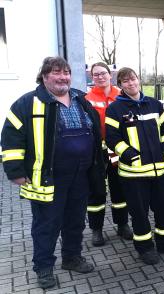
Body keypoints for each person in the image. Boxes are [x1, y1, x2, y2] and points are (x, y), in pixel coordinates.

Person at [1, 56, 105, 289]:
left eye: (66, 72)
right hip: (47, 178)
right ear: (44, 76)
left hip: (81, 176)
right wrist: (15, 171)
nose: (63, 77)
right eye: (57, 72)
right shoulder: (27, 103)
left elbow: (95, 133)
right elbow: (10, 138)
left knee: (75, 221)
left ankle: (72, 257)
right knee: (46, 225)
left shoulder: (81, 98)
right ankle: (44, 268)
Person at [105, 67, 164, 265]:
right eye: (125, 81)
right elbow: (112, 139)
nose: (131, 83)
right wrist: (130, 155)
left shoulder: (154, 104)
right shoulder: (115, 109)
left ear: (138, 80)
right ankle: (145, 248)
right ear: (120, 85)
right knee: (139, 213)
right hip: (134, 174)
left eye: (133, 79)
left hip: (160, 171)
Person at [85, 62, 133, 246]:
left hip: (115, 149)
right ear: (92, 77)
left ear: (109, 75)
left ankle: (122, 225)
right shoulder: (86, 99)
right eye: (96, 74)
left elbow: (130, 121)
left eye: (103, 73)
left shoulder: (121, 96)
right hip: (96, 152)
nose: (100, 77)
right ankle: (96, 230)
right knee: (96, 190)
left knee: (119, 186)